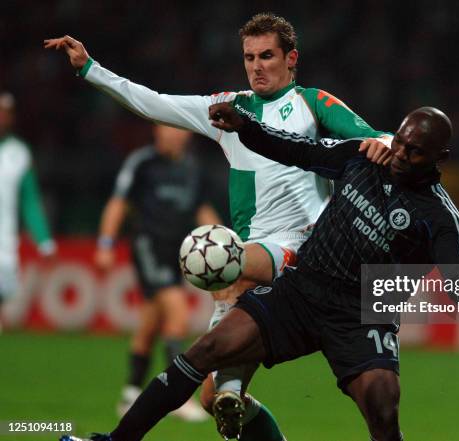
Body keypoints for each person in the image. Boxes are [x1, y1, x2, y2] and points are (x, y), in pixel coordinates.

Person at [45, 12, 391, 440]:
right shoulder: (231, 108)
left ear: (291, 58)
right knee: (211, 398)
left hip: (305, 247)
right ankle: (228, 393)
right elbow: (155, 101)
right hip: (256, 248)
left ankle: (223, 387)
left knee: (226, 261)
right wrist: (91, 70)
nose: (257, 65)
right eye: (249, 57)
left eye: (267, 55)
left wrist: (386, 145)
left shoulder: (312, 102)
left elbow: (377, 136)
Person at [59, 105, 459, 441]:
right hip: (302, 290)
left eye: (414, 151)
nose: (400, 153)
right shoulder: (363, 158)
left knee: (383, 408)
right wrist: (246, 124)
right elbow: (295, 148)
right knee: (208, 349)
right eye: (399, 141)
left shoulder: (440, 214)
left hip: (362, 312)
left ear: (440, 156)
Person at [95, 124, 221, 422]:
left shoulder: (193, 168)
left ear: (187, 134)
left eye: (178, 130)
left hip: (178, 253)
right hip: (147, 246)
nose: (173, 135)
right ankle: (180, 398)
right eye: (167, 129)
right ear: (155, 131)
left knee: (151, 322)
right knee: (177, 315)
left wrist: (226, 240)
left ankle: (129, 393)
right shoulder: (142, 163)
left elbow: (202, 210)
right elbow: (118, 203)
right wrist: (105, 242)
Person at [0, 92, 56, 331]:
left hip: (3, 245)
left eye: (5, 113)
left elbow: (29, 200)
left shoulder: (19, 154)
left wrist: (43, 240)